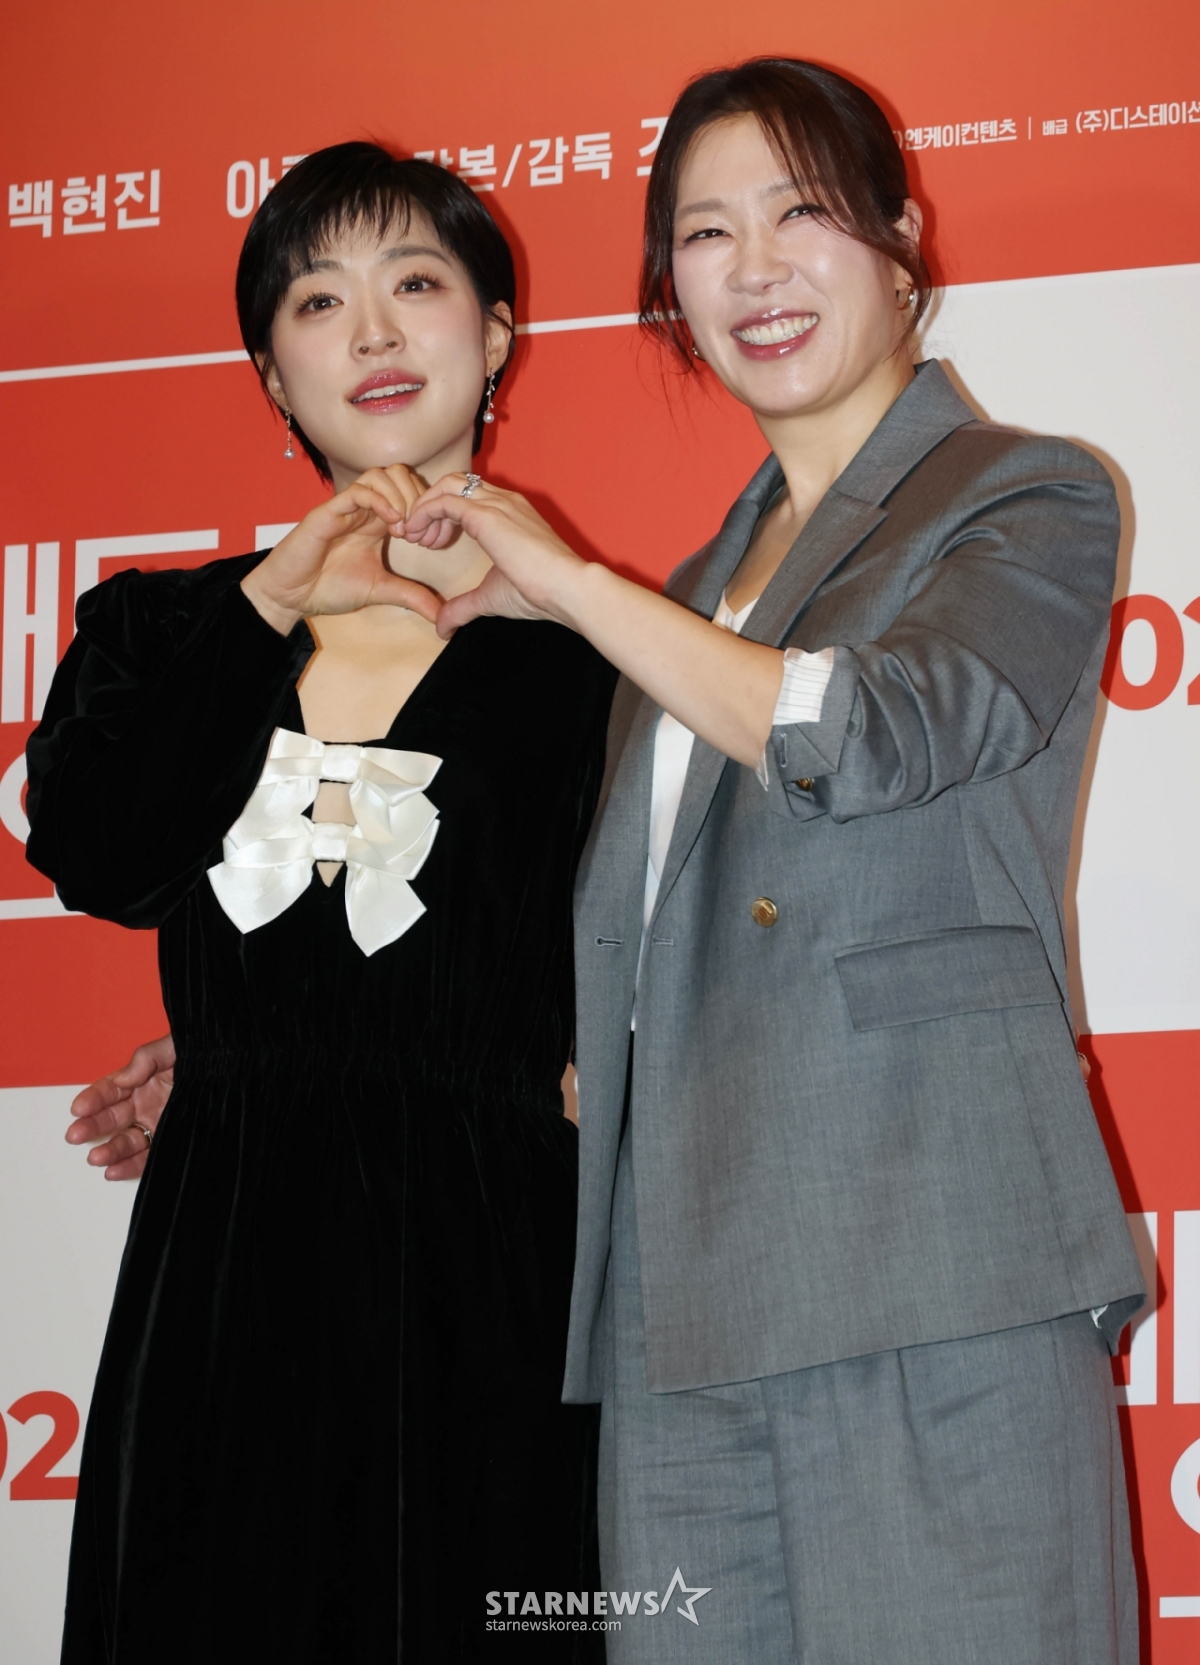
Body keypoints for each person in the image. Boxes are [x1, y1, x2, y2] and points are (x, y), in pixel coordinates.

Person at [391, 58, 1145, 1665]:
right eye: (704, 235)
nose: (753, 269)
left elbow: (870, 731)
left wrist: (581, 592)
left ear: (900, 237)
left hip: (933, 1269)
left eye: (800, 212)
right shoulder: (697, 594)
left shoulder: (1024, 495)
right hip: (678, 1315)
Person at [26, 142, 612, 1663]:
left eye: (417, 284)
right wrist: (278, 595)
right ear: (271, 378)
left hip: (494, 1268)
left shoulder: (605, 659)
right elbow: (100, 849)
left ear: (495, 334)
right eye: (315, 301)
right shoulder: (165, 626)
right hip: (226, 1263)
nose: (371, 333)